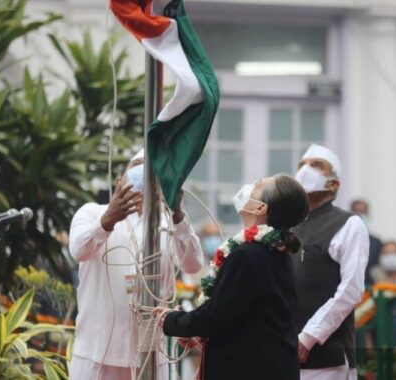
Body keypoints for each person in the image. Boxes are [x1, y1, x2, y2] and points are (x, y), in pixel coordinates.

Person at [154, 175, 310, 380]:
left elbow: (216, 314)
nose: (249, 186)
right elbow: (242, 316)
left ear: (261, 208)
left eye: (257, 186)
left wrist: (171, 319)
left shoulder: (249, 254)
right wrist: (199, 334)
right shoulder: (272, 252)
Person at [68, 149, 204, 380]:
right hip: (95, 354)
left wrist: (178, 214)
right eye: (137, 172)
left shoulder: (166, 223)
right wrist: (107, 220)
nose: (142, 181)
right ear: (119, 181)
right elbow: (79, 250)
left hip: (151, 354)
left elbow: (193, 264)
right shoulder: (92, 212)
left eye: (150, 175)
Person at [291, 144, 369, 380]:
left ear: (333, 183)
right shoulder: (287, 225)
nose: (305, 170)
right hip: (285, 354)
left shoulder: (349, 224)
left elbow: (351, 290)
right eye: (302, 165)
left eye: (316, 165)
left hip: (327, 358)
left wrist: (309, 336)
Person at [350, 199, 383, 287]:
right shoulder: (341, 239)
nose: (361, 215)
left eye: (364, 212)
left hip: (369, 288)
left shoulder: (376, 242)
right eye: (357, 211)